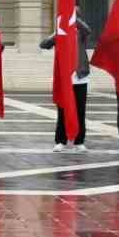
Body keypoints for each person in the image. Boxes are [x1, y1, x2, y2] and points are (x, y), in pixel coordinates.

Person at [40, 17, 91, 152]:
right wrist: (57, 32)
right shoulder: (60, 33)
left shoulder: (80, 32)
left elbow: (88, 30)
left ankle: (79, 141)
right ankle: (60, 141)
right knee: (62, 111)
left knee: (80, 111)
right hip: (64, 78)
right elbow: (44, 45)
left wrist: (75, 18)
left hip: (80, 78)